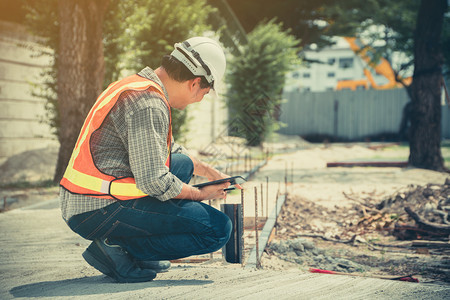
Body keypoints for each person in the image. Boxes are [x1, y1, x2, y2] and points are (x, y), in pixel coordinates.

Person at [59, 37, 234, 283]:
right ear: (195, 83)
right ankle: (117, 247)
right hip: (97, 210)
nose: (199, 100)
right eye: (204, 94)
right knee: (217, 230)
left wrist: (206, 169)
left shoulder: (139, 86)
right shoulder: (148, 104)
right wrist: (202, 194)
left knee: (182, 163)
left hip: (89, 201)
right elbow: (154, 180)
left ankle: (138, 249)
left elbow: (167, 151)